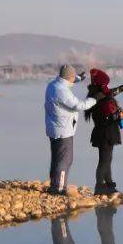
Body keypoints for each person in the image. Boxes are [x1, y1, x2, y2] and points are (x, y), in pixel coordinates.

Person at [45, 63, 97, 194]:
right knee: (65, 160)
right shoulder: (62, 91)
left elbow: (66, 80)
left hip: (55, 128)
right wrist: (94, 99)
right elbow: (79, 105)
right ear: (69, 77)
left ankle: (54, 185)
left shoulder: (53, 85)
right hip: (63, 130)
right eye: (73, 77)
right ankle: (59, 189)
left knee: (57, 158)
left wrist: (78, 78)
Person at [84, 68, 123, 195]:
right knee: (104, 160)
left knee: (107, 158)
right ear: (102, 84)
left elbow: (112, 92)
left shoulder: (98, 95)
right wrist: (119, 116)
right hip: (106, 133)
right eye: (106, 84)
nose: (107, 86)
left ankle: (109, 183)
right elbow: (107, 117)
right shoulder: (101, 98)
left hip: (103, 132)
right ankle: (100, 187)